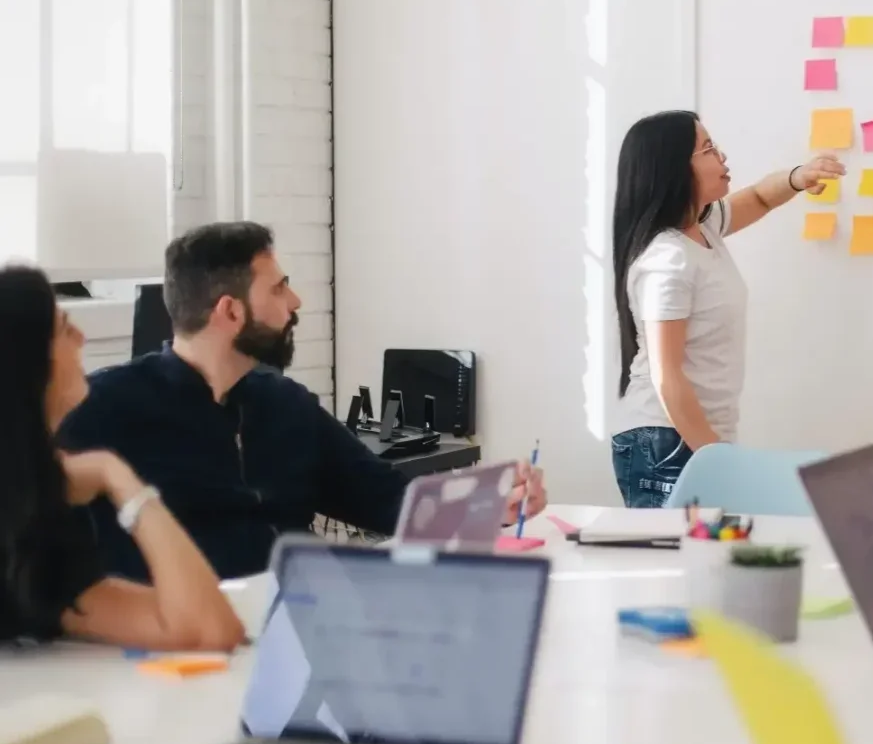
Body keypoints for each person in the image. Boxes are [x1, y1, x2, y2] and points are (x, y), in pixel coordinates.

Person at [59, 222, 547, 581]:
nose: (296, 302)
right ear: (230, 311)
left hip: (304, 630)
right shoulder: (106, 408)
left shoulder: (287, 406)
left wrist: (490, 502)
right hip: (175, 655)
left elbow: (393, 503)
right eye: (278, 287)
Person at [0, 265, 244, 649]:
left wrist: (109, 472)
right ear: (30, 366)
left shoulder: (35, 510)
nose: (81, 338)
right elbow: (208, 629)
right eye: (64, 329)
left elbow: (208, 627)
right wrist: (120, 480)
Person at [610, 110, 844, 508]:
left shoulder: (704, 229)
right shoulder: (668, 259)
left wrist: (798, 177)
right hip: (665, 440)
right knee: (677, 564)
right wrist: (718, 459)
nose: (722, 157)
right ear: (674, 170)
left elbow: (758, 197)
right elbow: (667, 377)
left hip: (693, 437)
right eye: (707, 149)